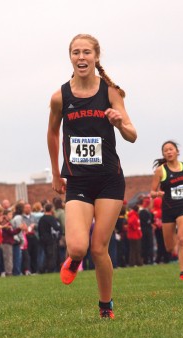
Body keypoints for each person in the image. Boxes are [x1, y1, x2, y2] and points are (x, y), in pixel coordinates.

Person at [47, 34, 137, 319]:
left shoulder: (110, 92)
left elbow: (132, 135)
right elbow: (52, 132)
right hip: (78, 180)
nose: (81, 57)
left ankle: (105, 305)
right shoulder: (60, 97)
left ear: (97, 57)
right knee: (77, 247)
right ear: (70, 57)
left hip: (109, 178)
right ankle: (74, 260)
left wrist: (119, 123)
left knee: (99, 249)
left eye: (87, 52)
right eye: (76, 52)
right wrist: (54, 174)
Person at [150, 141, 183, 280]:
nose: (168, 152)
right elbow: (152, 192)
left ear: (177, 151)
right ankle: (175, 255)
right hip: (168, 210)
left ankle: (182, 273)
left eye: (171, 149)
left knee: (181, 239)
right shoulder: (161, 170)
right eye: (165, 150)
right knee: (169, 247)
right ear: (163, 154)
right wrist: (158, 194)